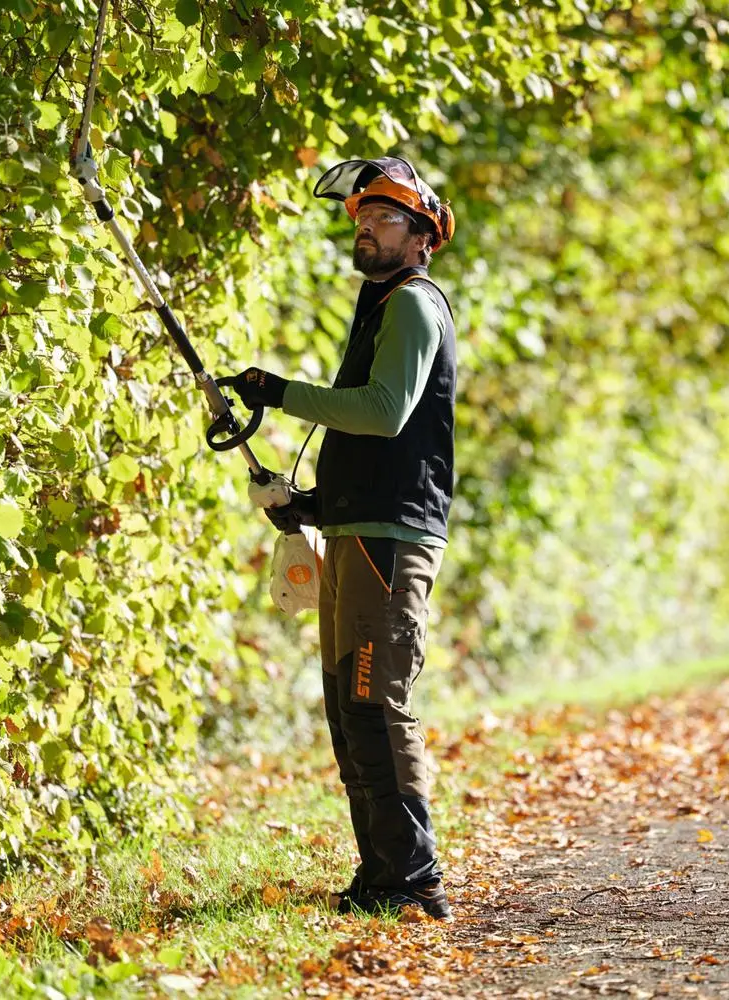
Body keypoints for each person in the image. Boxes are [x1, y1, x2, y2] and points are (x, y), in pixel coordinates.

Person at [226, 156, 457, 921]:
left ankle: (415, 878)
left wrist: (279, 393)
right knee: (347, 703)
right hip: (358, 529)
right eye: (362, 216)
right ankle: (380, 873)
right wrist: (310, 506)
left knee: (375, 699)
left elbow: (385, 413)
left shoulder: (414, 303)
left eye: (385, 217)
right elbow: (373, 444)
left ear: (422, 236)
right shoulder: (380, 305)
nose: (366, 227)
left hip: (391, 539)